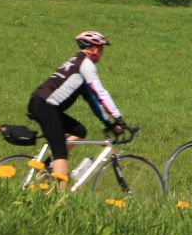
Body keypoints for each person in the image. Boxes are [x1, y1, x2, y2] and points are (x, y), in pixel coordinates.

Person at [28, 31, 127, 187]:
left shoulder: (78, 62)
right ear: (93, 49)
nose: (101, 53)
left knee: (79, 131)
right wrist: (119, 117)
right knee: (60, 150)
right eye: (101, 49)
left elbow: (92, 100)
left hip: (44, 104)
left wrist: (109, 123)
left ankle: (47, 167)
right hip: (45, 106)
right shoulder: (85, 65)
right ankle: (60, 197)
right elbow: (100, 92)